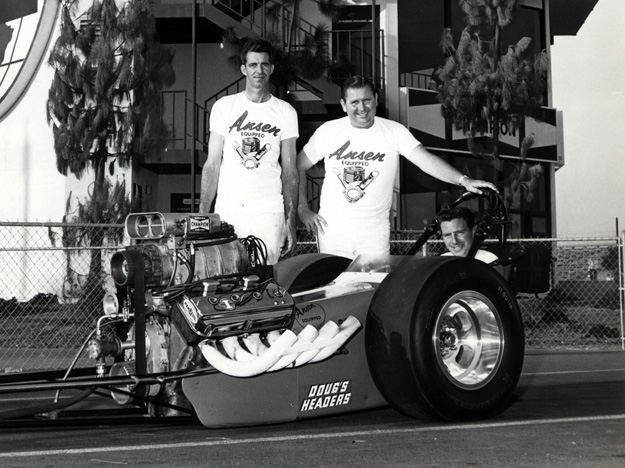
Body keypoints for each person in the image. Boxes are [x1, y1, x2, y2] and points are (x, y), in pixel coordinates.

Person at [297, 76, 497, 259]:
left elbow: (426, 160)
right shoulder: (329, 131)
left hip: (374, 232)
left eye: (367, 100)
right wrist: (303, 209)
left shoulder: (393, 131)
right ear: (343, 105)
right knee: (334, 284)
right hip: (333, 230)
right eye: (354, 102)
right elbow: (298, 166)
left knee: (373, 284)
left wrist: (464, 180)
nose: (362, 108)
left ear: (376, 99)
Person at [199, 38, 298, 264]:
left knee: (264, 275)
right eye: (253, 64)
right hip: (229, 209)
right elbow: (212, 164)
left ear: (271, 68)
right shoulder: (224, 107)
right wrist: (204, 214)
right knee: (227, 273)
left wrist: (290, 220)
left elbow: (290, 171)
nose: (259, 71)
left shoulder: (285, 112)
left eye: (264, 64)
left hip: (268, 211)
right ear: (244, 69)